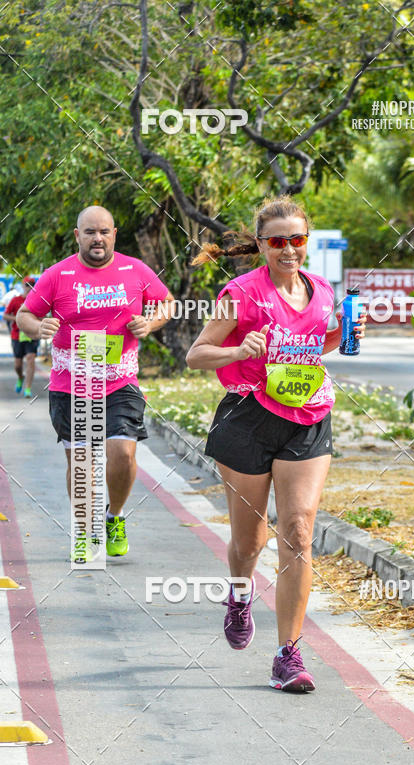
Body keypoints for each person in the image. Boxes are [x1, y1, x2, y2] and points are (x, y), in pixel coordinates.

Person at [186, 196, 366, 692]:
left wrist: (343, 336)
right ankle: (240, 593)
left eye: (297, 240)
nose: (289, 250)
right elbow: (195, 355)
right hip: (248, 420)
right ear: (262, 244)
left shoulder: (323, 292)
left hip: (307, 419)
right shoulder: (239, 293)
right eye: (278, 241)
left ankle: (288, 653)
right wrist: (238, 348)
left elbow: (311, 343)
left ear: (306, 241)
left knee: (299, 531)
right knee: (249, 542)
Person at [17, 205, 174, 559]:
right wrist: (38, 327)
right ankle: (85, 532)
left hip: (121, 381)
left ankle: (113, 517)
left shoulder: (135, 269)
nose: (97, 238)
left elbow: (166, 302)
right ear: (78, 236)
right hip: (70, 383)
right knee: (83, 462)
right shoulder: (58, 275)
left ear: (114, 234)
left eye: (104, 231)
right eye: (90, 232)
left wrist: (150, 324)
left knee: (123, 452)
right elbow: (27, 314)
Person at [4, 276, 38, 397]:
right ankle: (20, 377)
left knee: (30, 359)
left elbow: (43, 316)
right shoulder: (16, 300)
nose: (29, 288)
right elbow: (5, 315)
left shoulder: (37, 300)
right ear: (23, 286)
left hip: (32, 335)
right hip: (17, 335)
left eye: (32, 285)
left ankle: (27, 388)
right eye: (27, 285)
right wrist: (19, 319)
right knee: (18, 365)